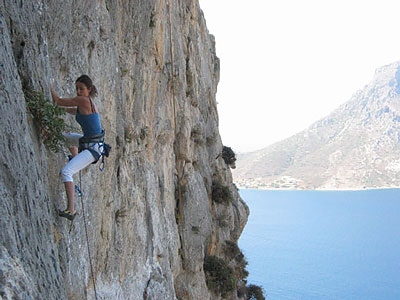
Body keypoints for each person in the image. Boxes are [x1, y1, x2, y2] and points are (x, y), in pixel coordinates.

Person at [50, 75, 104, 221]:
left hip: (92, 148)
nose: (78, 91)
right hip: (89, 142)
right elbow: (75, 111)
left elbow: (58, 100)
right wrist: (63, 109)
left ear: (89, 89)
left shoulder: (84, 100)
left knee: (67, 171)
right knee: (64, 136)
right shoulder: (89, 103)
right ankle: (75, 157)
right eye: (77, 89)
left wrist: (50, 86)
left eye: (81, 89)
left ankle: (71, 210)